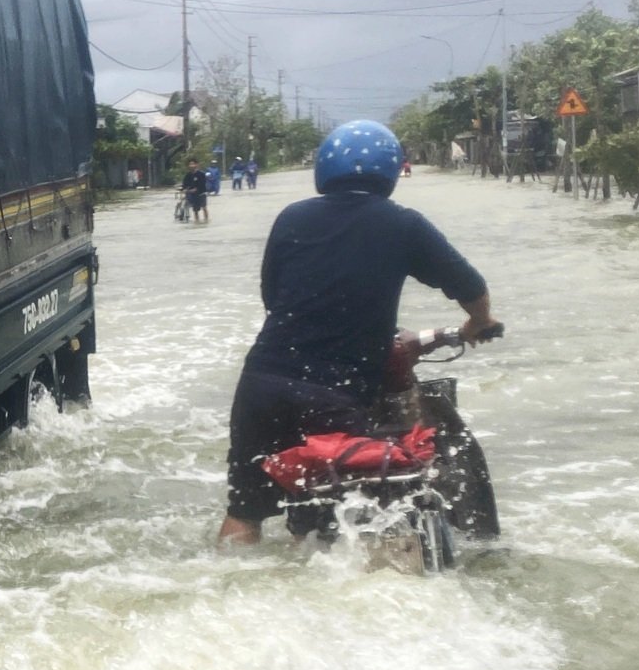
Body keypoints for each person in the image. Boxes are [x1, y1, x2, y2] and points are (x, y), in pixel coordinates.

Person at [216, 120, 497, 544]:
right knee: (367, 504)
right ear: (390, 172)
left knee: (244, 510)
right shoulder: (403, 224)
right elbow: (469, 285)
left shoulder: (292, 216)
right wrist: (480, 322)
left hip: (262, 383)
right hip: (334, 392)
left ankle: (228, 580)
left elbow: (272, 295)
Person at [181, 158, 209, 223]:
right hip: (193, 195)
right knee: (195, 210)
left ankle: (206, 220)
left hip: (201, 193)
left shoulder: (201, 174)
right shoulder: (188, 175)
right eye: (190, 164)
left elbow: (202, 184)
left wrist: (196, 189)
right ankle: (197, 222)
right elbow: (185, 184)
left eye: (193, 164)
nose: (191, 166)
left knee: (204, 207)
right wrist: (184, 189)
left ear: (196, 165)